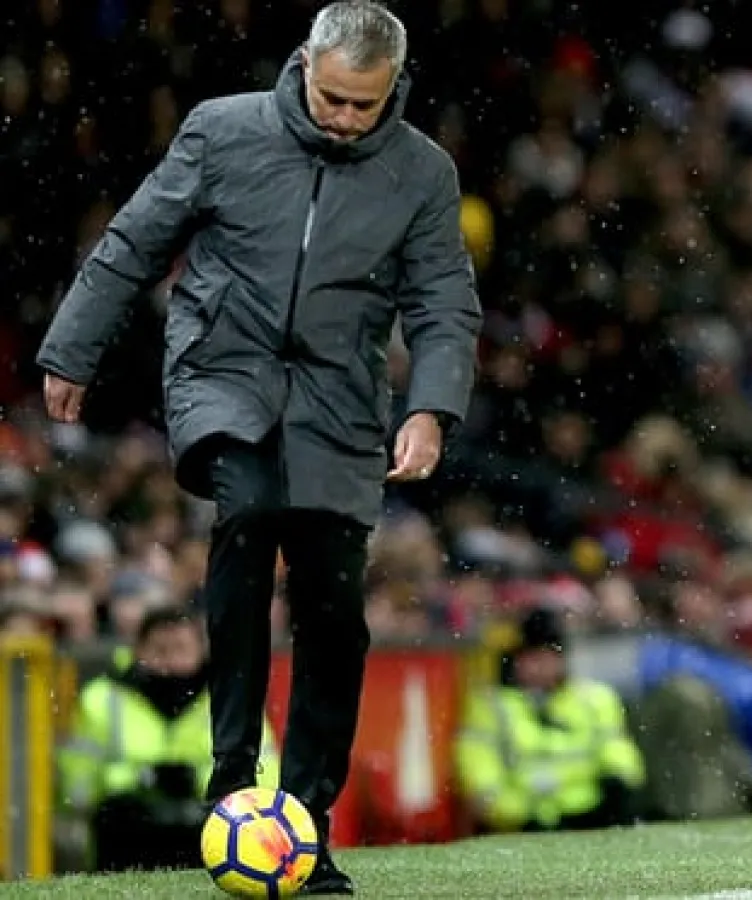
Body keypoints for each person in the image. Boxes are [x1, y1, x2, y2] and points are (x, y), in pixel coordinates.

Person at [36, 1, 480, 892]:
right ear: (305, 65)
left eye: (366, 105)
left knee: (333, 602)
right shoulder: (222, 131)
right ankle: (234, 780)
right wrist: (71, 351)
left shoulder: (422, 172)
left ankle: (304, 825)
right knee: (249, 511)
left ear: (394, 86)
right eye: (333, 99)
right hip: (221, 369)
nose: (346, 120)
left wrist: (431, 409)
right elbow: (134, 241)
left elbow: (443, 303)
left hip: (340, 396)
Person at [58, 606, 282, 873]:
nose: (170, 662)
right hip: (127, 834)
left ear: (201, 651)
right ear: (138, 651)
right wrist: (141, 780)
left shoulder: (230, 701)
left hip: (210, 828)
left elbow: (264, 781)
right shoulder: (100, 700)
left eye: (180, 649)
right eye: (160, 650)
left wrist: (196, 783)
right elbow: (76, 790)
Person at [454, 606, 646, 832]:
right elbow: (480, 774)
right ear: (515, 661)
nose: (540, 666)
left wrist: (618, 786)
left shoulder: (595, 699)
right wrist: (517, 816)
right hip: (524, 825)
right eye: (532, 657)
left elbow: (618, 751)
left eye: (548, 656)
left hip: (590, 815)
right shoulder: (491, 707)